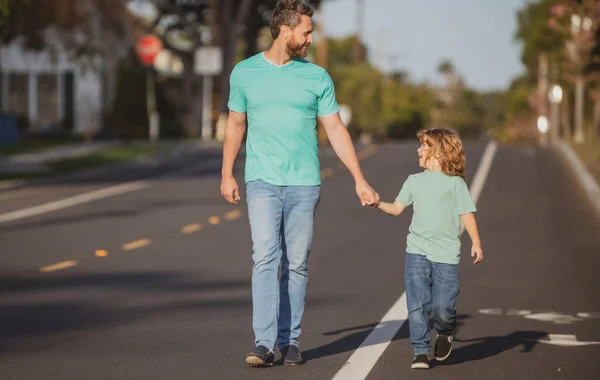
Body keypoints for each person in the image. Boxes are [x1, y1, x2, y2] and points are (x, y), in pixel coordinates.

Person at [219, 0, 379, 367]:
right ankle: (263, 343)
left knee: (297, 264)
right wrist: (227, 172)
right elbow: (235, 125)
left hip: (305, 183)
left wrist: (359, 179)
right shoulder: (244, 73)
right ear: (286, 31)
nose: (310, 38)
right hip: (261, 180)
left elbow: (335, 129)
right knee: (264, 257)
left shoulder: (317, 77)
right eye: (306, 32)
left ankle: (289, 341)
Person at [374, 128, 483, 370]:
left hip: (446, 254)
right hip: (417, 250)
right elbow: (396, 208)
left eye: (424, 146)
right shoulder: (414, 181)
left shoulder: (455, 184)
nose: (418, 150)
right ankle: (420, 351)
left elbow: (467, 214)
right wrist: (377, 202)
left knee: (444, 306)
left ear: (439, 152)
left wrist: (476, 242)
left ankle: (444, 332)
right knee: (417, 304)